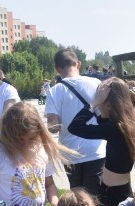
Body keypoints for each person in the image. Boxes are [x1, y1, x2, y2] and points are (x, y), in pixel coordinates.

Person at [67, 77, 135, 206]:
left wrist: (93, 103)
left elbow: (75, 127)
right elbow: (102, 121)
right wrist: (98, 102)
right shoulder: (125, 124)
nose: (98, 105)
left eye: (101, 102)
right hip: (119, 191)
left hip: (113, 195)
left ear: (108, 105)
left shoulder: (114, 129)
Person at [45, 48, 105, 197]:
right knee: (94, 199)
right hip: (96, 150)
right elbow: (105, 114)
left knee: (77, 197)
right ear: (78, 64)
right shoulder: (96, 83)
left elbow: (53, 127)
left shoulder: (54, 91)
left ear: (58, 69)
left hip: (70, 154)